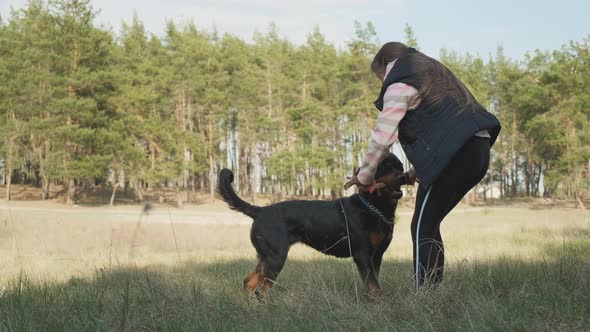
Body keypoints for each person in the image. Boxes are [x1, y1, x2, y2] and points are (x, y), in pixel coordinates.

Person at [344, 42, 501, 289]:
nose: (382, 83)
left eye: (379, 77)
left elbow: (382, 137)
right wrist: (411, 174)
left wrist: (364, 177)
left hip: (459, 155)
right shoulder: (433, 74)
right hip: (476, 151)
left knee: (422, 225)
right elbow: (445, 131)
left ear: (385, 66)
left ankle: (426, 296)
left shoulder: (399, 81)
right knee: (428, 221)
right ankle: (432, 291)